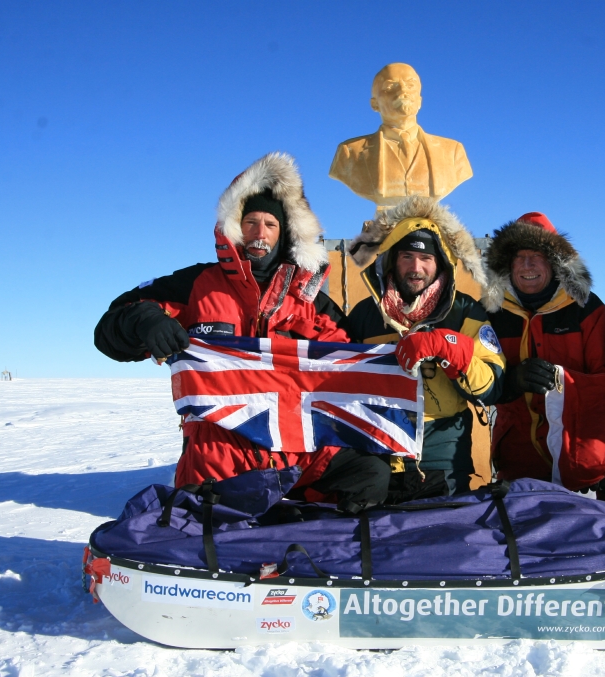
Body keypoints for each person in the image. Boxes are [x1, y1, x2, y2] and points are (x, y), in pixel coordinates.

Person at [94, 152, 389, 512]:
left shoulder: (312, 303)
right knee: (211, 521)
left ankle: (321, 549)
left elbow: (353, 367)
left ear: (287, 234)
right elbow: (110, 329)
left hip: (298, 442)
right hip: (220, 444)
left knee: (368, 474)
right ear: (234, 226)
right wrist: (145, 321)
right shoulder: (196, 285)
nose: (260, 233)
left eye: (270, 224)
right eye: (250, 222)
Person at [345, 196, 505, 498]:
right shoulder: (365, 314)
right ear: (392, 259)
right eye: (407, 257)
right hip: (376, 453)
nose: (415, 268)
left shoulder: (464, 312)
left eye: (426, 259)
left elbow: (493, 385)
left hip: (442, 456)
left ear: (440, 262)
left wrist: (450, 348)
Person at [481, 212, 605, 482]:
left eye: (537, 255)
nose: (527, 265)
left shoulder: (586, 309)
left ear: (554, 263)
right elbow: (476, 380)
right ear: (507, 264)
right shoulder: (489, 312)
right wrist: (510, 382)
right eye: (519, 256)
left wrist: (566, 385)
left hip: (582, 457)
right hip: (517, 460)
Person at [329, 63, 473, 209]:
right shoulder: (349, 152)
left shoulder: (453, 151)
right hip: (383, 224)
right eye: (391, 86)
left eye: (410, 85)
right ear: (374, 104)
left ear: (420, 100)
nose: (403, 91)